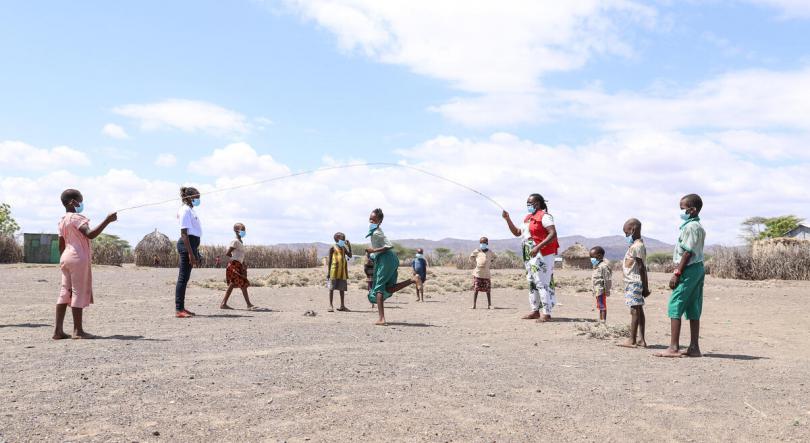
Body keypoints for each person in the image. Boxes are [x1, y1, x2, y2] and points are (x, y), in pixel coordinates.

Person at [53, 189, 117, 339]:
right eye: (80, 200)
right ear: (72, 202)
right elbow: (90, 234)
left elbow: (61, 243)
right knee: (77, 292)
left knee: (64, 292)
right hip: (77, 257)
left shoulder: (62, 220)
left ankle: (58, 331)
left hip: (66, 256)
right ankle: (78, 331)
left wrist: (62, 259)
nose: (81, 204)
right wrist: (107, 220)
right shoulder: (77, 218)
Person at [656, 194, 706, 358]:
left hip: (689, 269)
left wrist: (677, 273)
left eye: (683, 209)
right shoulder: (697, 226)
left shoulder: (691, 227)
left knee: (675, 304)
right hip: (697, 269)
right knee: (693, 306)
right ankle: (694, 347)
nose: (681, 212)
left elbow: (687, 252)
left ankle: (673, 347)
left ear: (692, 210)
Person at [502, 193, 559, 322]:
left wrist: (538, 247)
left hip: (542, 252)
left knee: (542, 282)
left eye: (530, 203)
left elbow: (553, 234)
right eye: (527, 203)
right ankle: (535, 311)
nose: (528, 205)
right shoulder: (528, 218)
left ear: (537, 204)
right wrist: (507, 219)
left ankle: (547, 313)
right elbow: (517, 233)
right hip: (529, 252)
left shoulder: (545, 217)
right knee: (532, 282)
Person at [365, 208, 419, 325]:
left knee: (379, 289)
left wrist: (373, 250)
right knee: (389, 287)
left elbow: (389, 245)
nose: (371, 221)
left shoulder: (377, 232)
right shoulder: (376, 231)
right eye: (370, 219)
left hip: (386, 258)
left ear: (379, 221)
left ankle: (381, 318)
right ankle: (412, 280)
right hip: (389, 258)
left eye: (374, 220)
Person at [619, 219, 650, 348]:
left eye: (627, 233)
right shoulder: (636, 246)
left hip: (634, 281)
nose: (626, 236)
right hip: (634, 282)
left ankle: (632, 339)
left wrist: (645, 286)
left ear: (633, 230)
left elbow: (642, 267)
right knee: (638, 309)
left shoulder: (637, 246)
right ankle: (641, 339)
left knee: (634, 310)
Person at [175, 186, 202, 318]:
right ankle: (179, 309)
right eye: (197, 197)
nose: (198, 199)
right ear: (190, 197)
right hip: (187, 245)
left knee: (185, 279)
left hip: (192, 245)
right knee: (182, 278)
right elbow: (184, 234)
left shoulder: (191, 210)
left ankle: (182, 307)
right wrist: (191, 254)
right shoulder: (185, 210)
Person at [220, 223, 256, 310]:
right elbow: (228, 253)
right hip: (234, 265)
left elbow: (240, 255)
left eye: (244, 230)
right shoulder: (235, 241)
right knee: (239, 283)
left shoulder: (240, 242)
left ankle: (224, 304)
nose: (244, 232)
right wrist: (235, 260)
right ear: (237, 231)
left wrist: (243, 264)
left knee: (237, 284)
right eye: (242, 230)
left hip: (238, 265)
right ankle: (248, 304)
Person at [327, 232, 352, 312]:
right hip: (334, 271)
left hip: (342, 272)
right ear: (337, 239)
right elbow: (330, 261)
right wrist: (328, 273)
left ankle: (342, 306)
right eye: (342, 239)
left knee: (342, 289)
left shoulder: (343, 248)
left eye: (344, 239)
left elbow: (350, 256)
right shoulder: (332, 248)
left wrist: (349, 246)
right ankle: (330, 305)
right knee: (331, 288)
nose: (344, 240)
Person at [470, 237, 494, 309]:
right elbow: (471, 257)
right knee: (476, 289)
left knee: (488, 290)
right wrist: (476, 262)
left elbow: (495, 257)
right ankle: (474, 305)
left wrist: (489, 262)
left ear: (487, 243)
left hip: (486, 274)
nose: (482, 244)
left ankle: (489, 305)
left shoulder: (490, 252)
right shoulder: (477, 251)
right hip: (478, 273)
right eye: (481, 243)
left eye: (484, 243)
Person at [589, 246, 611, 322]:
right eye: (590, 257)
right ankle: (601, 320)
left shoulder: (603, 267)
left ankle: (603, 322)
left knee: (602, 306)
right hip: (597, 291)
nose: (591, 259)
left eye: (592, 257)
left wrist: (607, 290)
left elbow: (607, 279)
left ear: (600, 256)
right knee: (600, 306)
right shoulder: (596, 266)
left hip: (601, 290)